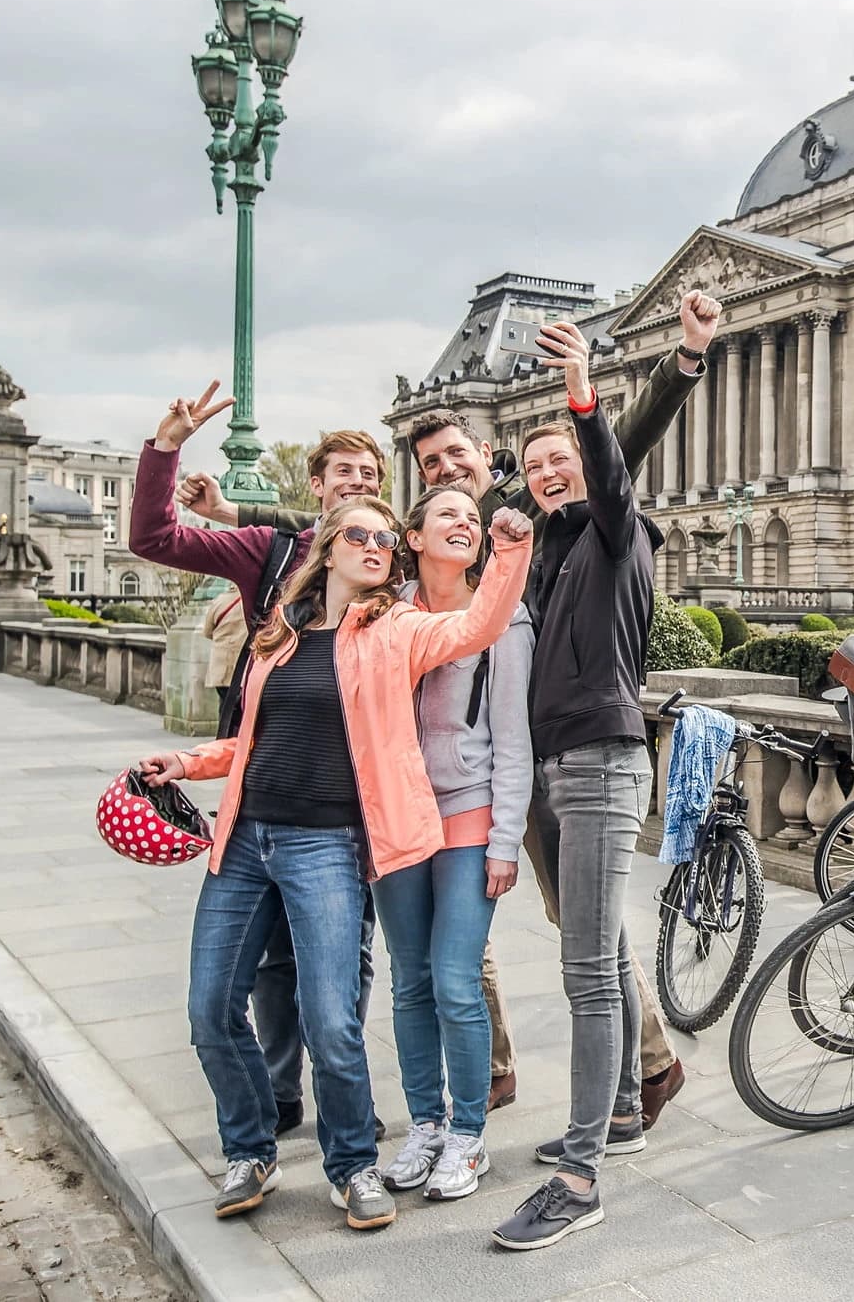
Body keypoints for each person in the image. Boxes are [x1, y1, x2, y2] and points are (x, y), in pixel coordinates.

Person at [138, 494, 533, 1229]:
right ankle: (250, 1149)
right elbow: (251, 741)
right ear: (327, 545)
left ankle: (352, 1163)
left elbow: (479, 623)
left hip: (326, 843)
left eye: (388, 535)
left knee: (332, 1021)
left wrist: (508, 551)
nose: (378, 543)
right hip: (245, 839)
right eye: (362, 532)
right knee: (210, 1011)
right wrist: (187, 762)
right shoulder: (278, 633)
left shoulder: (394, 628)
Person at [491, 290, 720, 1252]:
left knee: (587, 968)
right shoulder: (543, 554)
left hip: (597, 759)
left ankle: (580, 1174)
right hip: (557, 766)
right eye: (535, 466)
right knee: (592, 950)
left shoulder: (614, 532)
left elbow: (614, 467)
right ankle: (624, 1107)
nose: (550, 476)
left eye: (562, 463)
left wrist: (592, 389)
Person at [131, 387, 387, 1138]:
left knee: (342, 966)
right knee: (269, 957)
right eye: (344, 471)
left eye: (370, 475)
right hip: (261, 775)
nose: (358, 483)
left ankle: (346, 1107)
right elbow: (153, 537)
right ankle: (278, 1092)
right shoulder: (270, 552)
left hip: (346, 800)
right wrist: (165, 446)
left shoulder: (384, 565)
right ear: (317, 485)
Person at [376, 485, 534, 1202]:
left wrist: (505, 840)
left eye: (472, 517)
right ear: (413, 535)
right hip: (398, 817)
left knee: (453, 980)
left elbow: (512, 738)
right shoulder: (383, 614)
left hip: (468, 812)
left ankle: (468, 1135)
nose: (464, 523)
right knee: (408, 980)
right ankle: (427, 1125)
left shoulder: (501, 615)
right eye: (448, 513)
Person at [201, 589, 247, 708]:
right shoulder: (250, 601)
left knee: (225, 704)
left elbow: (207, 632)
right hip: (243, 663)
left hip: (220, 664)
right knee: (241, 707)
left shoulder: (219, 601)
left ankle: (224, 726)